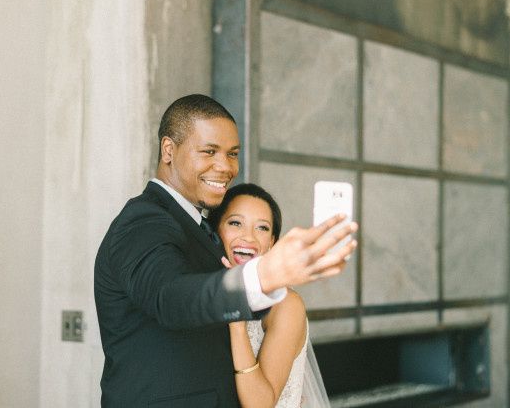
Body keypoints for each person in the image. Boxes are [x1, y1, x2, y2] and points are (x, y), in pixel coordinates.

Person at [94, 94, 357, 407]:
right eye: (209, 152)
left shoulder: (198, 228)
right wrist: (264, 275)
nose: (225, 167)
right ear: (169, 150)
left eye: (233, 154)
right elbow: (171, 297)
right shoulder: (144, 220)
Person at [209, 183, 330, 408]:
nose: (249, 237)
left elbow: (261, 405)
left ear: (272, 242)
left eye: (262, 228)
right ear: (216, 231)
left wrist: (236, 323)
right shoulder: (203, 295)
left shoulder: (286, 305)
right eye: (236, 223)